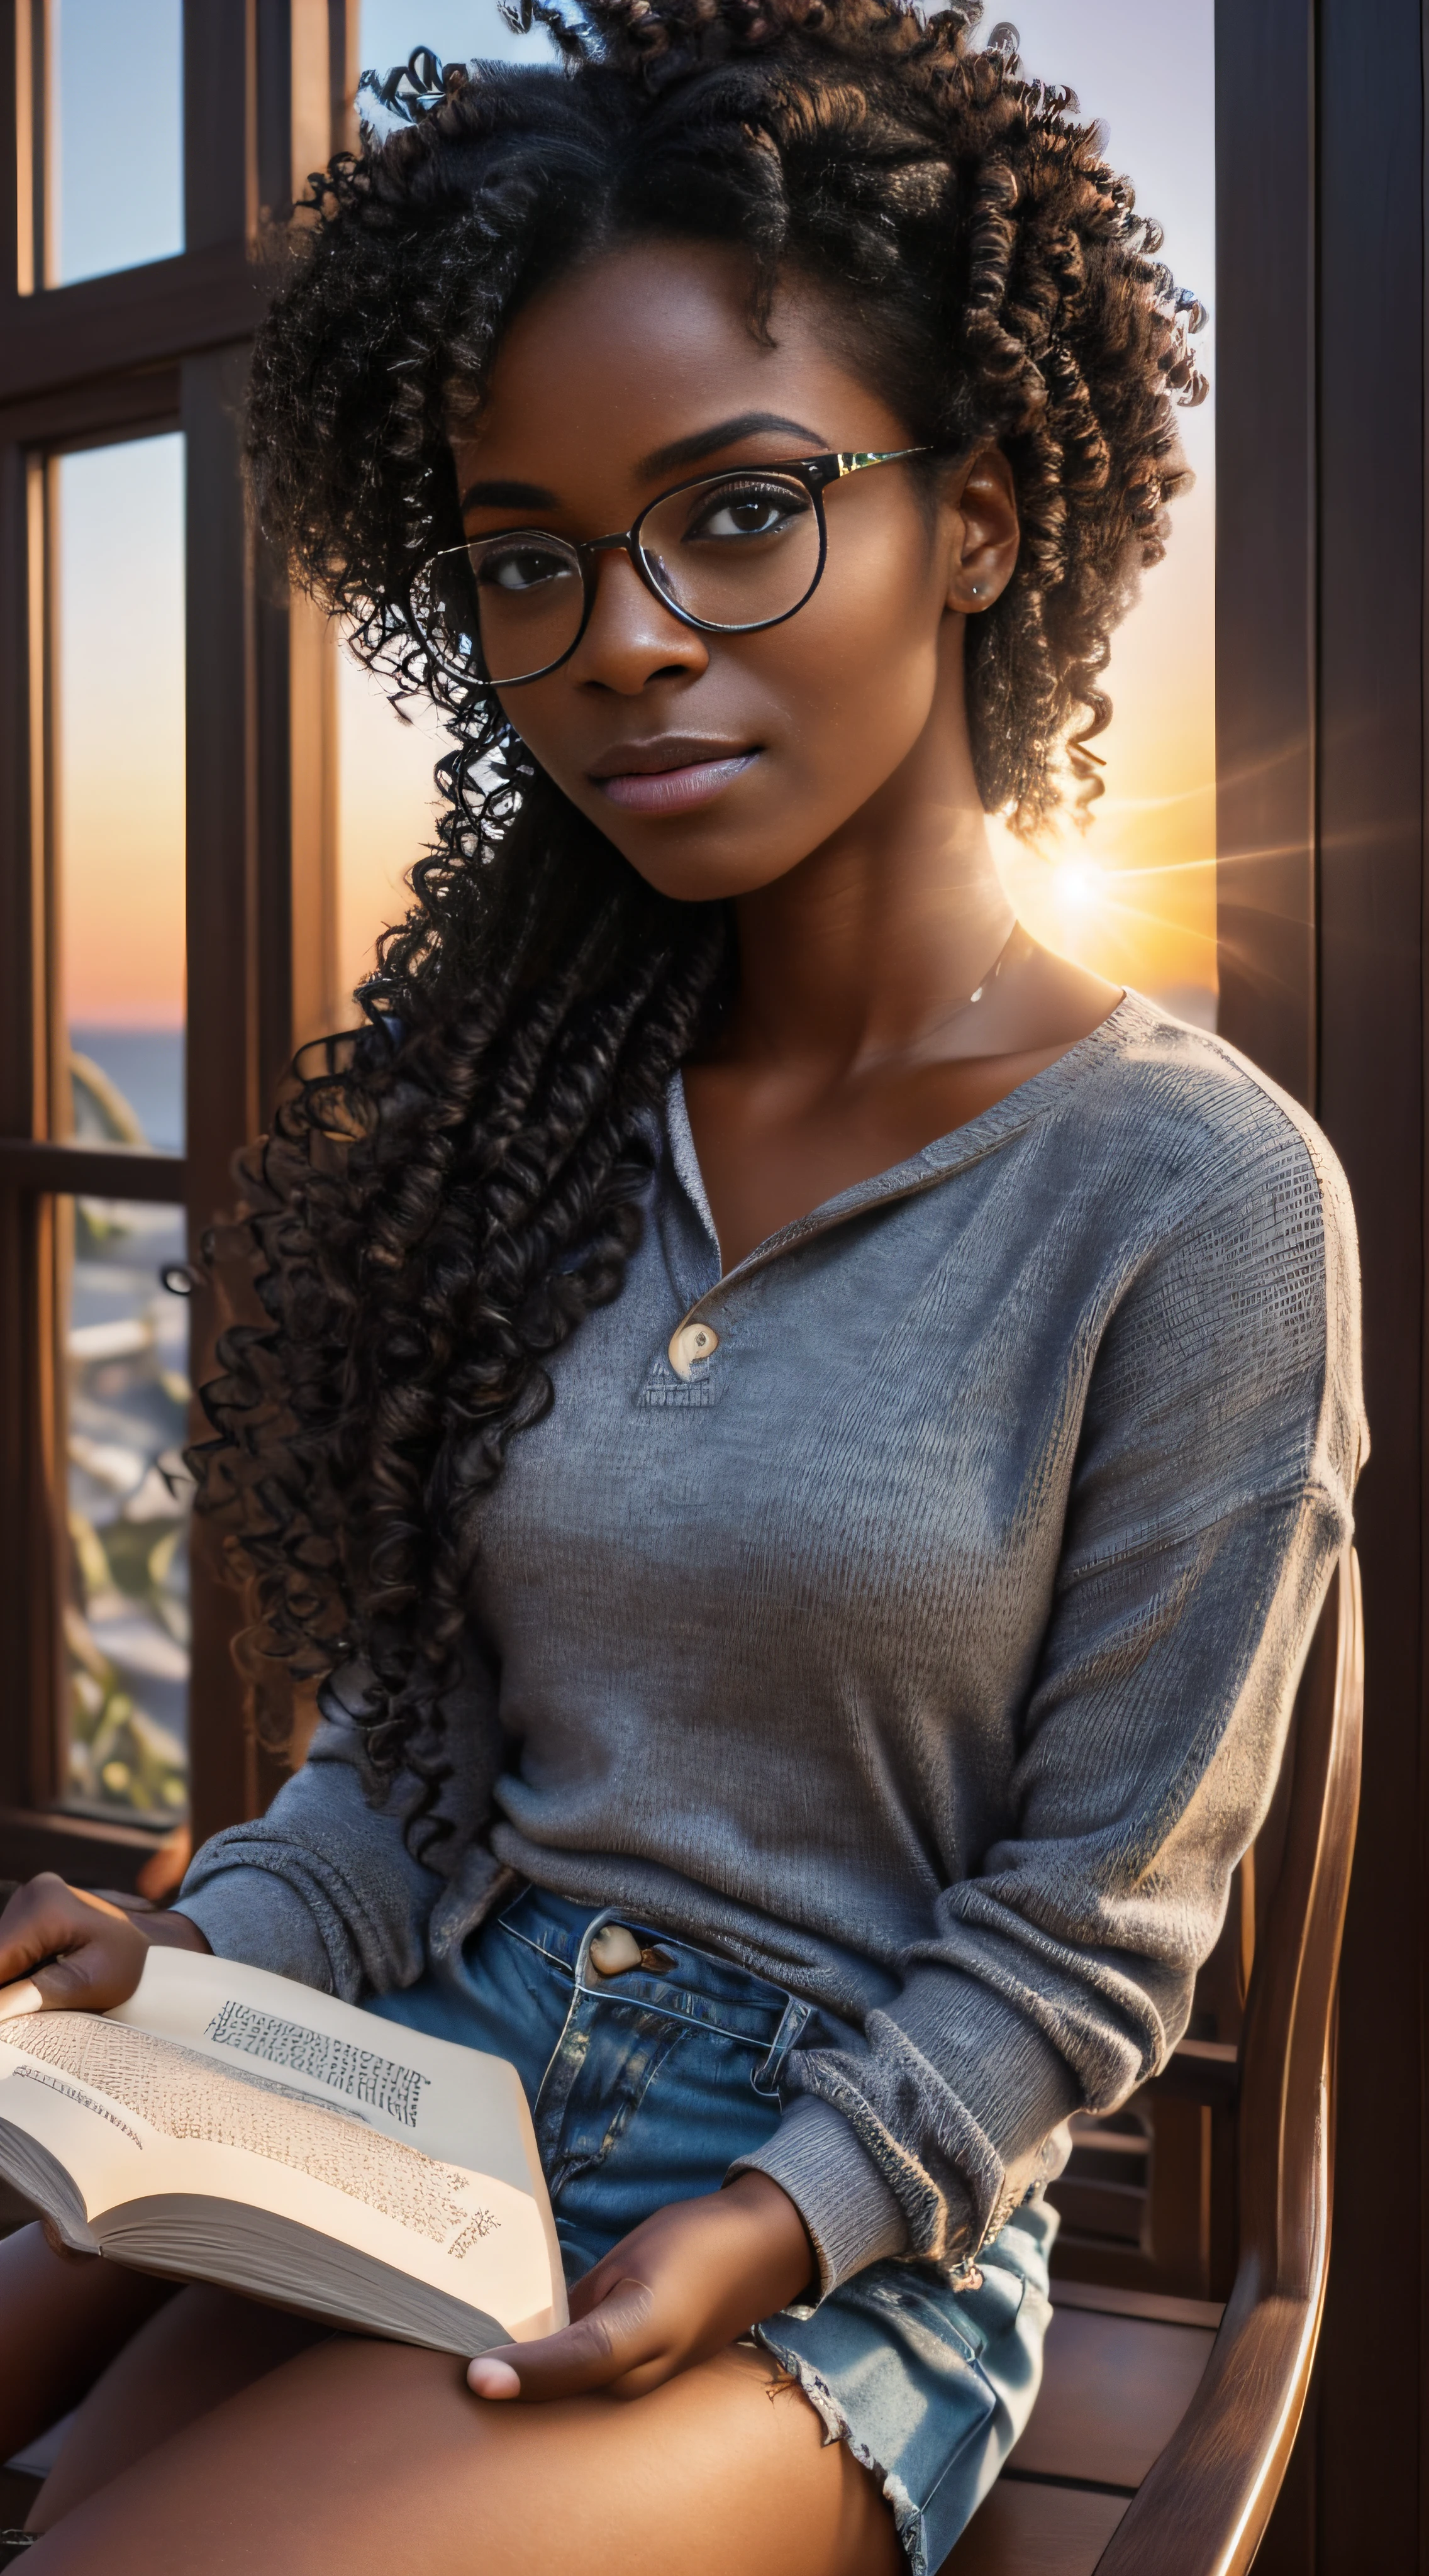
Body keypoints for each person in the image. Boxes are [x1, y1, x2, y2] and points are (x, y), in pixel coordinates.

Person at [0, 6, 1364, 2569]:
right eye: (528, 557)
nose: (617, 638)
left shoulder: (1194, 1204)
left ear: (972, 515)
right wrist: (181, 1986)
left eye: (735, 513)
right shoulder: (532, 1131)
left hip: (835, 2221)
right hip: (412, 2091)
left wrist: (761, 2222)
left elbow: (1089, 1940)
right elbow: (405, 1785)